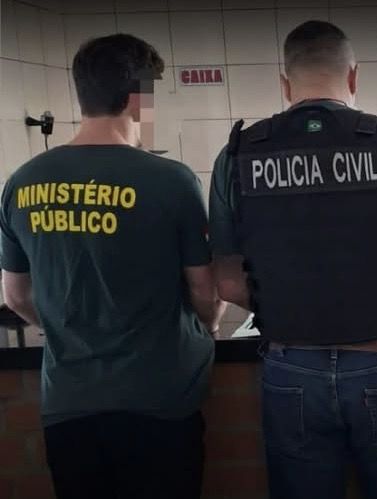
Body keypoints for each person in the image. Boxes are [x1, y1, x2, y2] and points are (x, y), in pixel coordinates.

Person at [208, 21, 377, 499]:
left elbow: (227, 283)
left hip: (290, 369)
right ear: (353, 76)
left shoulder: (238, 154)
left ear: (285, 84)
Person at [0, 34, 222, 499]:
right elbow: (205, 292)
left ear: (83, 94)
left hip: (69, 405)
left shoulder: (22, 183)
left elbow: (16, 296)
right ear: (139, 99)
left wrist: (68, 326)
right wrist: (209, 324)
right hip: (159, 401)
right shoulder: (170, 180)